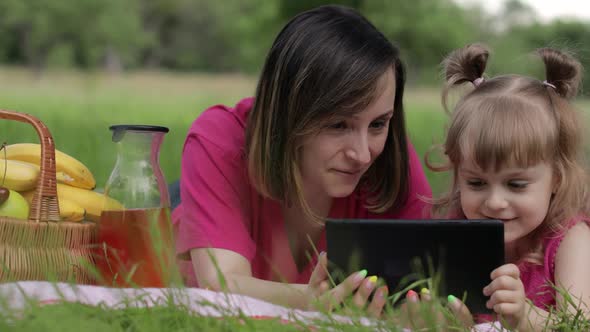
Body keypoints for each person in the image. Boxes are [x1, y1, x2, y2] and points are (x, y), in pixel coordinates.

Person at [171, 5, 432, 313]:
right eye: (338, 125)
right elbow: (221, 285)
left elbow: (427, 289)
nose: (362, 155)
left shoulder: (391, 158)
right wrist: (314, 301)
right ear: (286, 114)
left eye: (378, 124)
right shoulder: (218, 139)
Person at [426, 43, 590, 330]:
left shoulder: (570, 242)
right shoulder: (457, 235)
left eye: (515, 184)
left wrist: (524, 317)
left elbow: (580, 324)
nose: (495, 202)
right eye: (476, 182)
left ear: (557, 179)